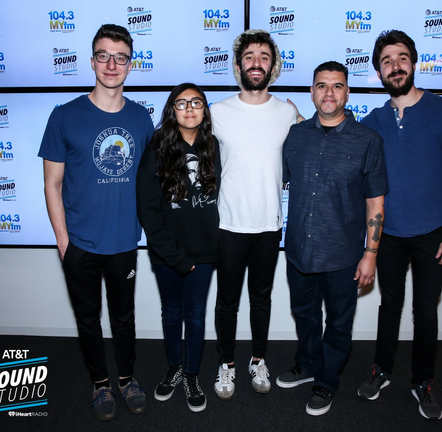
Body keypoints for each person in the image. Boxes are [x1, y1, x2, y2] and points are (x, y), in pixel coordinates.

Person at [357, 30, 442, 420]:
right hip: (388, 235)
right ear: (378, 72)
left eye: (402, 57)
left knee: (426, 312)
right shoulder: (372, 121)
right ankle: (382, 370)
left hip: (432, 234)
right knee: (389, 306)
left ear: (414, 63)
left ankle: (423, 382)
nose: (396, 66)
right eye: (387, 60)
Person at [38, 24, 153, 420]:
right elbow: (52, 185)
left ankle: (126, 379)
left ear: (129, 66)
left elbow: (149, 182)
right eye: (103, 55)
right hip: (80, 245)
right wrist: (63, 242)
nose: (111, 64)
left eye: (120, 57)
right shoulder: (64, 116)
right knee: (87, 320)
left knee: (124, 319)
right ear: (92, 61)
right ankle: (100, 385)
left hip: (123, 242)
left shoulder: (141, 119)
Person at [276, 61, 388, 416]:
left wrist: (371, 253)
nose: (329, 93)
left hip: (342, 254)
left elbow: (376, 201)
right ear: (311, 91)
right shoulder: (295, 135)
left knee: (338, 323)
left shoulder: (368, 141)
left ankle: (327, 381)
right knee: (303, 314)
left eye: (337, 86)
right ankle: (308, 365)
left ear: (347, 92)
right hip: (298, 251)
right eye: (321, 86)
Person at [210, 29, 301, 399]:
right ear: (238, 66)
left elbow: (312, 150)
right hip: (228, 222)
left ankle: (257, 359)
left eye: (264, 57)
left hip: (269, 223)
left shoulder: (287, 111)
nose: (257, 63)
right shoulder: (217, 112)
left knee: (261, 298)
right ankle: (226, 364)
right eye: (250, 57)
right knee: (227, 300)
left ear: (273, 65)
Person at [136, 83, 220, 413]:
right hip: (167, 253)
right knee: (171, 313)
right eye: (181, 103)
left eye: (195, 102)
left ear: (204, 109)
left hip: (205, 252)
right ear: (172, 109)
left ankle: (192, 374)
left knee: (196, 315)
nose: (189, 108)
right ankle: (173, 368)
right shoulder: (157, 146)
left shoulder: (215, 146)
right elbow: (148, 209)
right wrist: (174, 257)